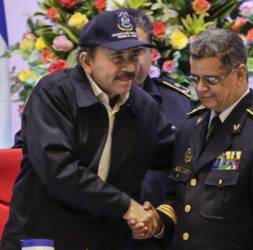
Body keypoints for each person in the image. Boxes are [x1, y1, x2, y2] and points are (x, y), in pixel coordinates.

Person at [0, 9, 175, 250]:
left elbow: (173, 155)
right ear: (86, 62)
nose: (129, 67)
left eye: (134, 55)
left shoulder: (144, 106)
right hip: (43, 239)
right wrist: (127, 206)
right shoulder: (54, 93)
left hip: (108, 240)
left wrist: (156, 216)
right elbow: (58, 170)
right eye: (117, 57)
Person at [131, 28, 253, 250]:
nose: (201, 88)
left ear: (240, 74)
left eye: (211, 79)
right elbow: (178, 202)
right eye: (195, 78)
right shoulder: (190, 127)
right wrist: (157, 223)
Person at [127, 8, 193, 207]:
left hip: (164, 226)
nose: (130, 63)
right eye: (120, 53)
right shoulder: (81, 101)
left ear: (151, 52)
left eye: (138, 51)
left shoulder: (179, 102)